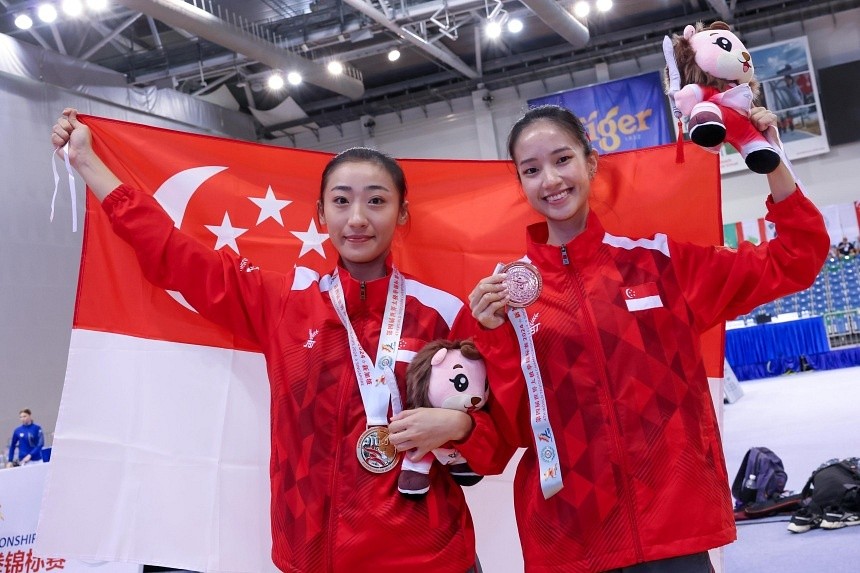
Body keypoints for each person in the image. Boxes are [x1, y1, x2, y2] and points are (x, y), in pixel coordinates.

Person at [51, 109, 497, 573]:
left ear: (402, 212)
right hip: (312, 557)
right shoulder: (285, 302)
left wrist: (459, 427)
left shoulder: (444, 313)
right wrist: (87, 163)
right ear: (321, 214)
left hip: (429, 558)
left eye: (377, 201)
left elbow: (497, 432)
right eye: (341, 201)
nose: (358, 218)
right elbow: (174, 256)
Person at [462, 104, 829, 572]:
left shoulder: (659, 263)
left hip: (672, 531)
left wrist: (766, 155)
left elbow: (797, 255)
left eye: (562, 160)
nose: (550, 180)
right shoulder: (502, 295)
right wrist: (491, 336)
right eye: (531, 170)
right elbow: (510, 431)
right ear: (519, 183)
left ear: (590, 162)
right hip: (572, 542)